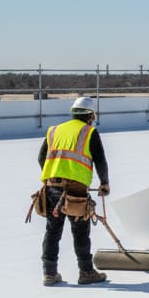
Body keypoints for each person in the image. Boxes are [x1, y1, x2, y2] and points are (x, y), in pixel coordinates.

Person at [37, 96, 110, 286]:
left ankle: (49, 273)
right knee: (80, 231)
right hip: (76, 190)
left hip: (52, 187)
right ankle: (86, 272)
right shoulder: (89, 132)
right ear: (90, 115)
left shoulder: (54, 131)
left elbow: (41, 158)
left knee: (53, 231)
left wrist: (54, 175)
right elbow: (100, 161)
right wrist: (104, 183)